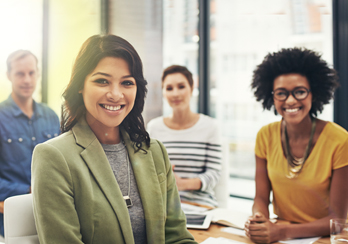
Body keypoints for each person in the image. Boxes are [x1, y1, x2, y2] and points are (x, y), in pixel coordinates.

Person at [31, 35, 197, 244]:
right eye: (102, 81)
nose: (116, 94)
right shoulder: (53, 157)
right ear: (80, 85)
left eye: (127, 82)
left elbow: (177, 237)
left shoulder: (155, 152)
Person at [244, 47, 348, 243]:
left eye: (299, 92)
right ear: (271, 96)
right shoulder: (265, 135)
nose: (290, 101)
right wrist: (259, 218)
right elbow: (260, 198)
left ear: (313, 94)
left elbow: (338, 221)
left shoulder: (340, 141)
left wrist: (282, 232)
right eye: (281, 93)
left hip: (324, 239)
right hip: (281, 234)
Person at [0, 50, 60, 237]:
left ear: (38, 74)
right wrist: (27, 189)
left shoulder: (51, 116)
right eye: (20, 73)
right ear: (9, 75)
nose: (27, 80)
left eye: (31, 73)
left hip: (51, 214)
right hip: (9, 218)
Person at [147, 65, 222, 208]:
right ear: (163, 92)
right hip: (162, 206)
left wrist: (182, 184)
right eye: (169, 88)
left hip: (200, 205)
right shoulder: (153, 128)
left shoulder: (211, 126)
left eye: (181, 86)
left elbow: (214, 173)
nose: (175, 94)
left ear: (192, 88)